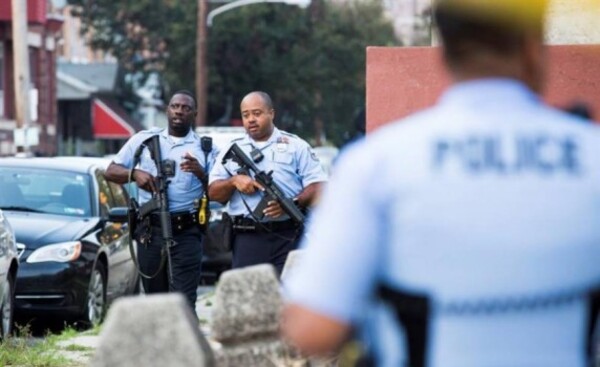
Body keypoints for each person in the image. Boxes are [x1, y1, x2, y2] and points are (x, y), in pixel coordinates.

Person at [281, 1, 600, 366]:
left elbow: (311, 328)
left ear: (445, 51)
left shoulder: (376, 164)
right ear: (532, 45)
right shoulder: (592, 156)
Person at [105, 90, 216, 311]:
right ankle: (159, 344)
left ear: (194, 113)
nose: (179, 111)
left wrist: (201, 173)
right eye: (175, 106)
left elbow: (219, 189)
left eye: (185, 108)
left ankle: (185, 344)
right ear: (167, 109)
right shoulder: (144, 140)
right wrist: (135, 175)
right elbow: (110, 171)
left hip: (187, 232)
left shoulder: (206, 148)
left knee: (184, 300)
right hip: (151, 231)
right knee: (155, 300)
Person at [208, 91, 327, 274]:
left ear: (271, 113)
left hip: (288, 236)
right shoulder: (231, 149)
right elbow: (213, 193)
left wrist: (291, 203)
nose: (251, 120)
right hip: (247, 238)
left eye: (257, 113)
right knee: (248, 297)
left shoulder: (295, 146)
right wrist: (233, 181)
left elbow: (318, 187)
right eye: (246, 115)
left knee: (290, 296)